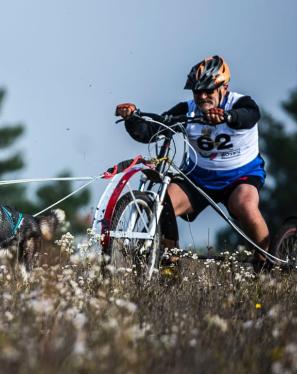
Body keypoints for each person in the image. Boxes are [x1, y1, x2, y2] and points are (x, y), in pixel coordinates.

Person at [114, 55, 269, 268]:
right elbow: (151, 131)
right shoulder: (187, 109)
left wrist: (227, 116)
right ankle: (170, 263)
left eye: (209, 91)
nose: (203, 96)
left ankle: (265, 262)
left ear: (224, 87)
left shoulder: (241, 103)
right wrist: (131, 119)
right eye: (198, 91)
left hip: (240, 175)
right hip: (199, 177)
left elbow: (251, 115)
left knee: (244, 205)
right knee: (163, 203)